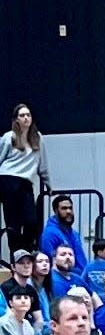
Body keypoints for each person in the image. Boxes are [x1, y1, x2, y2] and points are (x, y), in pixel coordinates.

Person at [0, 103, 50, 254]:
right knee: (13, 223)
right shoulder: (9, 137)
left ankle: (27, 252)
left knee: (31, 221)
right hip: (8, 179)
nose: (26, 118)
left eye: (28, 115)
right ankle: (16, 256)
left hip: (26, 182)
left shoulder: (37, 137)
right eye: (22, 115)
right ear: (16, 119)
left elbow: (43, 163)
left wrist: (48, 183)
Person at [39, 194, 89, 276]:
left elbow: (81, 260)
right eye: (64, 208)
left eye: (70, 208)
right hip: (64, 278)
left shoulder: (74, 233)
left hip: (80, 277)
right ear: (55, 211)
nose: (68, 211)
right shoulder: (49, 234)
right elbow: (50, 263)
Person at [1, 249, 45, 333]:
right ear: (13, 267)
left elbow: (39, 319)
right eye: (21, 263)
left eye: (29, 263)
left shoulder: (31, 289)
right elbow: (6, 318)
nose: (26, 266)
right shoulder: (5, 288)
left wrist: (35, 333)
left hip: (29, 330)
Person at [29, 249, 53, 335]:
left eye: (47, 261)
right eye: (40, 261)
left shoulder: (47, 287)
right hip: (36, 329)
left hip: (49, 326)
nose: (45, 264)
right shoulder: (29, 286)